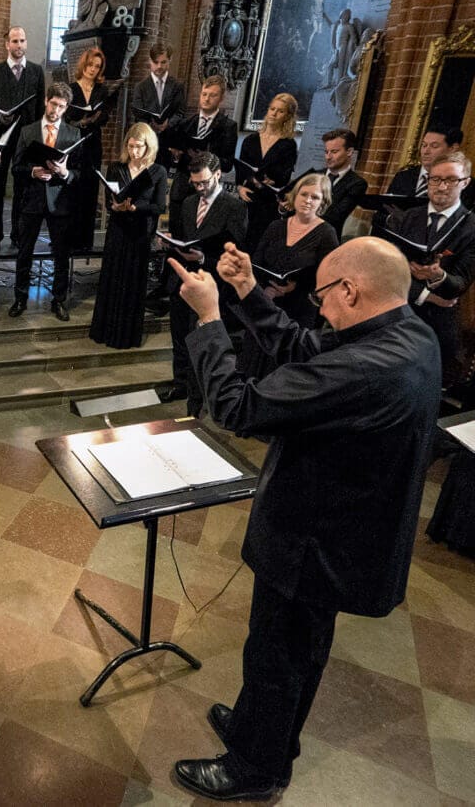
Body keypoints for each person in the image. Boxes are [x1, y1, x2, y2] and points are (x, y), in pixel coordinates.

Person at [169, 236, 441, 800]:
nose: (317, 307)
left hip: (314, 540)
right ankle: (259, 731)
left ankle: (255, 769)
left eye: (322, 295)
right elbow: (306, 347)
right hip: (345, 532)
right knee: (293, 650)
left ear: (349, 289)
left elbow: (236, 407)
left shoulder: (366, 368)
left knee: (278, 656)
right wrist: (246, 289)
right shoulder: (409, 332)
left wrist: (210, 318)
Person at [160, 152, 247, 413]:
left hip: (212, 283)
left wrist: (205, 257)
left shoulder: (234, 206)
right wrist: (169, 242)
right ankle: (181, 382)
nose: (199, 188)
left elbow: (236, 250)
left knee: (202, 340)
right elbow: (184, 237)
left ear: (218, 174)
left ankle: (197, 399)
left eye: (204, 183)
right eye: (195, 183)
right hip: (183, 279)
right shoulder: (188, 202)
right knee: (180, 336)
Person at [381, 152, 475, 385]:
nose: (442, 186)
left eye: (451, 179)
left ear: (465, 182)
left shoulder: (471, 227)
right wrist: (425, 294)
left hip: (435, 325)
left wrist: (439, 276)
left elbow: (459, 283)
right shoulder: (406, 217)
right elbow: (385, 270)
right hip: (395, 315)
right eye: (435, 179)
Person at [241, 173, 338, 378]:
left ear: (323, 202)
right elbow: (256, 261)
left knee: (280, 369)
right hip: (265, 302)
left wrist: (296, 288)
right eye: (304, 194)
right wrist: (263, 289)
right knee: (250, 363)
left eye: (315, 197)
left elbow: (328, 278)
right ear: (295, 196)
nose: (308, 201)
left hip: (297, 310)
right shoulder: (276, 226)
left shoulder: (326, 233)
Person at [89, 123, 166, 349]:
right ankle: (105, 331)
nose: (134, 152)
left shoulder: (157, 171)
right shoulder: (116, 168)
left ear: (148, 146)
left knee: (132, 281)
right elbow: (108, 197)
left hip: (140, 232)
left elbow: (159, 206)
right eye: (130, 146)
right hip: (118, 230)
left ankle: (125, 335)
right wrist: (116, 206)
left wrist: (136, 208)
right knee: (112, 279)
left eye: (139, 147)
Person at [9, 82, 79, 322]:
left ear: (66, 107)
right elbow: (15, 167)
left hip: (59, 201)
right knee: (25, 251)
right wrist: (32, 172)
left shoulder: (73, 133)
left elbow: (80, 173)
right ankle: (20, 298)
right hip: (32, 199)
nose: (56, 110)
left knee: (61, 253)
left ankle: (58, 300)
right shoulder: (28, 131)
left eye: (61, 107)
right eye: (53, 104)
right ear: (46, 101)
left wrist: (65, 172)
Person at [0, 26, 46, 251]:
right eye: (14, 41)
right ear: (7, 45)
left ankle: (18, 234)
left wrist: (39, 138)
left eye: (22, 41)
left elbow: (40, 108)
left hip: (27, 139)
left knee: (23, 186)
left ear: (26, 43)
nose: (19, 45)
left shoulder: (37, 72)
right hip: (1, 136)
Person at [167, 75, 238, 237]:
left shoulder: (228, 127)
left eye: (213, 95)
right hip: (182, 188)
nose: (207, 99)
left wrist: (208, 158)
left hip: (206, 191)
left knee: (199, 240)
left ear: (221, 98)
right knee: (177, 237)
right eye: (204, 94)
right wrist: (176, 157)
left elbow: (227, 164)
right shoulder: (185, 124)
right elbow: (174, 160)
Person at [236, 92, 298, 253]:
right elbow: (241, 170)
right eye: (272, 109)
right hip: (248, 197)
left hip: (269, 201)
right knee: (240, 240)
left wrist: (270, 181)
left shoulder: (288, 144)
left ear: (287, 116)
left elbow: (285, 176)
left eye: (280, 111)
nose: (274, 113)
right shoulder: (250, 140)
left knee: (260, 245)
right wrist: (239, 188)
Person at [65, 46, 111, 250]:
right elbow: (65, 118)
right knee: (73, 189)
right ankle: (69, 238)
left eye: (97, 66)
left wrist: (96, 117)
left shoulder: (102, 91)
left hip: (93, 142)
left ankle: (85, 241)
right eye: (90, 64)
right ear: (84, 64)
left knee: (90, 190)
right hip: (75, 143)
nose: (93, 69)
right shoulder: (71, 88)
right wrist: (80, 122)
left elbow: (106, 115)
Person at [290, 128, 367, 239]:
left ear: (349, 152)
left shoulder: (357, 183)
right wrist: (285, 207)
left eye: (334, 152)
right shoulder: (314, 175)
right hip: (295, 233)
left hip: (324, 239)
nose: (328, 157)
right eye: (326, 152)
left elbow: (335, 216)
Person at [131, 42, 186, 166]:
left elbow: (180, 112)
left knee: (162, 178)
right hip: (146, 141)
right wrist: (151, 125)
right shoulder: (141, 87)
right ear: (150, 61)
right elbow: (138, 113)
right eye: (156, 62)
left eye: (163, 62)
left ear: (169, 60)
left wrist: (168, 124)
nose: (159, 66)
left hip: (168, 141)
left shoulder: (177, 86)